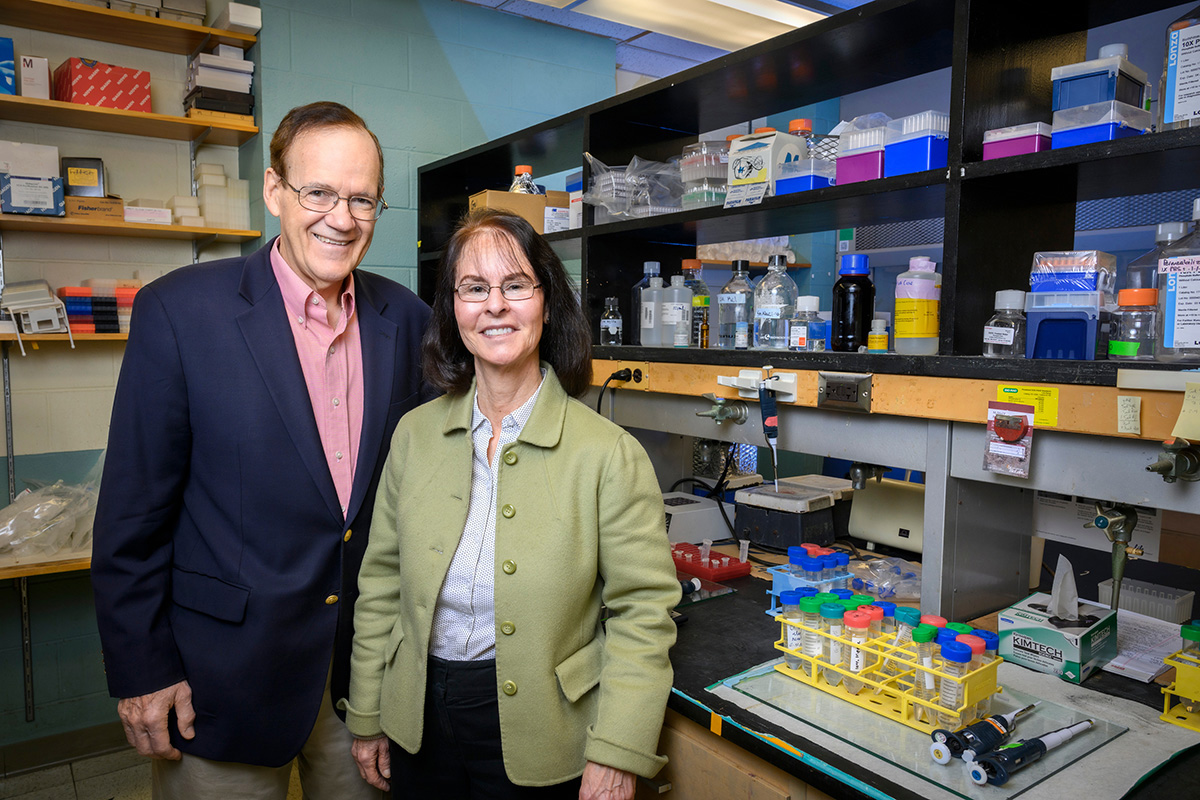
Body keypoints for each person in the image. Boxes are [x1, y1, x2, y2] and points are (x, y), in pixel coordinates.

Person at [90, 101, 434, 799]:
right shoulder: (181, 312)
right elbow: (132, 515)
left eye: (362, 198)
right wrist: (142, 671)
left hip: (361, 686)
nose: (342, 217)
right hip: (221, 683)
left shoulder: (408, 319)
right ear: (274, 189)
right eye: (319, 193)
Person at [345, 208, 680, 799]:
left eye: (515, 285)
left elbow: (643, 615)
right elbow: (380, 587)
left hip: (545, 729)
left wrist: (618, 750)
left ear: (545, 302)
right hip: (417, 718)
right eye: (474, 288)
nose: (494, 305)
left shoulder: (608, 455)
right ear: (453, 309)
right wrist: (369, 714)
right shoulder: (413, 435)